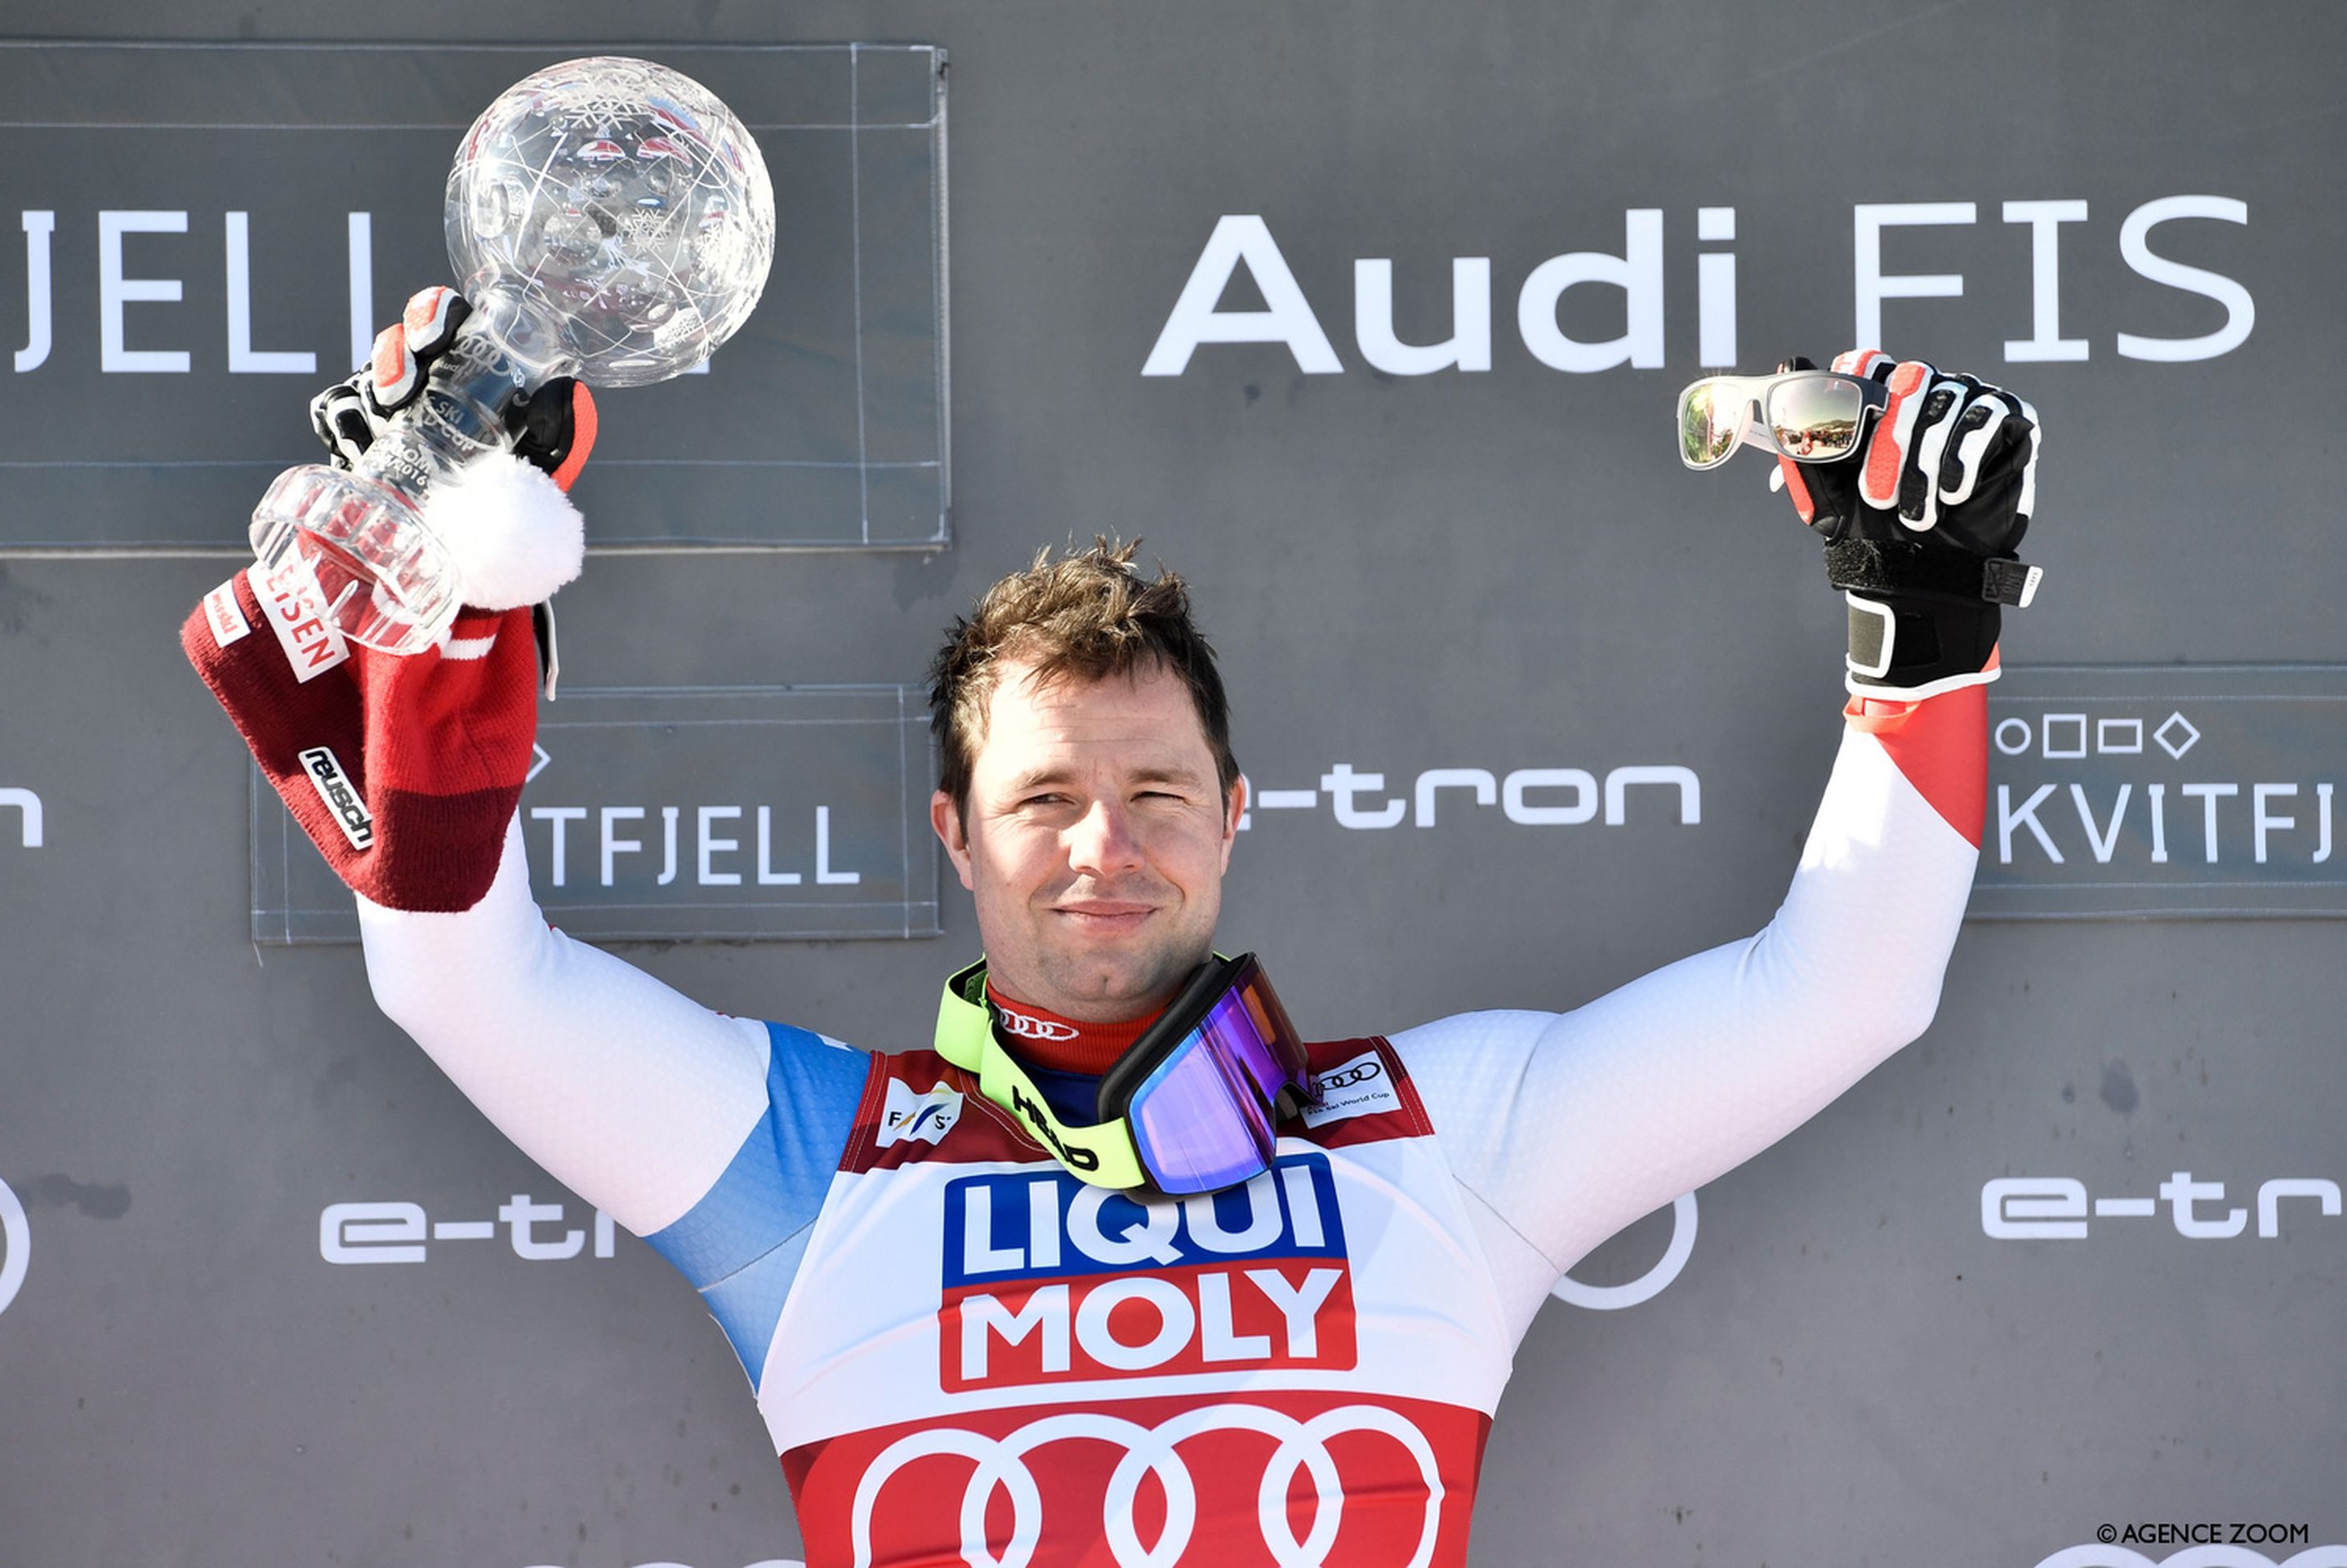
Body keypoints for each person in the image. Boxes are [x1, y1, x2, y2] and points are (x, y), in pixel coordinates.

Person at [185, 293, 2042, 1567]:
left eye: (1157, 795)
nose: (1103, 847)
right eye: (1043, 801)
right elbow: (457, 973)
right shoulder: (819, 1169)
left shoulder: (1447, 1137)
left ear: (1233, 819)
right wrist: (437, 619)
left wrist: (1930, 633)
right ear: (955, 842)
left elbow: (1848, 986)